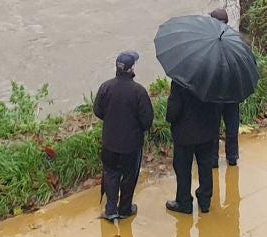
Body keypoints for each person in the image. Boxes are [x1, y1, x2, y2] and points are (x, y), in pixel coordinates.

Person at [93, 50, 154, 222]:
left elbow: (98, 111)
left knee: (111, 173)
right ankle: (125, 209)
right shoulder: (139, 92)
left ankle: (111, 209)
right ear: (131, 69)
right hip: (131, 145)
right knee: (129, 176)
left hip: (110, 142)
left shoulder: (106, 87)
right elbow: (147, 119)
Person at [165, 80, 222, 214]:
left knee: (183, 168)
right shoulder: (213, 80)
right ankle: (205, 201)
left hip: (185, 135)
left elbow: (173, 112)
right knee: (205, 165)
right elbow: (219, 106)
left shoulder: (180, 81)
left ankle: (184, 202)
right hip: (207, 132)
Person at [209, 8, 242, 167]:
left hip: (214, 93)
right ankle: (232, 157)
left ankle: (213, 159)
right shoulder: (236, 40)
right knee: (232, 126)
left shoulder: (208, 41)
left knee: (212, 127)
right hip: (233, 92)